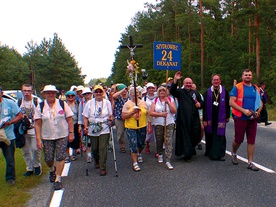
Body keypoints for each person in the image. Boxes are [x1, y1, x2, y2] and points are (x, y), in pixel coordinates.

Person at [34, 85, 74, 190]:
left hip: (62, 134)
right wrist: (38, 139)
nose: (50, 94)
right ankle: (52, 170)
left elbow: (70, 119)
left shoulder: (62, 104)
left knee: (60, 156)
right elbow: (37, 124)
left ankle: (58, 179)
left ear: (55, 93)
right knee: (48, 158)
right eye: (48, 93)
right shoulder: (41, 106)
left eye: (52, 92)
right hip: (47, 136)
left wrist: (71, 133)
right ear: (45, 94)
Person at [229, 69, 263, 171]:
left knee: (251, 140)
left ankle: (250, 162)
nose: (248, 76)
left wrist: (258, 111)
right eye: (246, 75)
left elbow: (260, 102)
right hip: (240, 117)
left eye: (249, 75)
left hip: (252, 118)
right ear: (242, 76)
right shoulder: (237, 87)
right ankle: (234, 153)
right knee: (238, 139)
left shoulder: (256, 88)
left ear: (252, 76)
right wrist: (243, 111)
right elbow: (231, 102)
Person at [170, 72, 203, 162]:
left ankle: (190, 149)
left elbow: (201, 103)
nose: (188, 84)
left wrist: (200, 104)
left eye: (190, 83)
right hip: (184, 119)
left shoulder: (196, 93)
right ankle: (187, 154)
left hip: (194, 118)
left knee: (196, 134)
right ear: (184, 84)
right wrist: (175, 80)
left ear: (192, 84)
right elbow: (172, 91)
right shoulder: (180, 92)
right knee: (185, 136)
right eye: (186, 83)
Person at [82, 85, 113, 176]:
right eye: (96, 92)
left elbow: (110, 115)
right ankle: (97, 160)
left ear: (103, 93)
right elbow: (85, 116)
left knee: (103, 147)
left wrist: (110, 120)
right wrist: (85, 126)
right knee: (95, 148)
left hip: (104, 127)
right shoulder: (89, 103)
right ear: (93, 93)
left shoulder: (107, 103)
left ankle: (103, 167)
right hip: (92, 128)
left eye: (100, 91)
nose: (98, 93)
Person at [203, 75, 230, 161]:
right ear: (212, 81)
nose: (216, 81)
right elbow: (204, 107)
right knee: (210, 134)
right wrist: (205, 119)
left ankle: (218, 154)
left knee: (219, 135)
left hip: (220, 117)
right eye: (214, 80)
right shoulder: (207, 92)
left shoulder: (225, 91)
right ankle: (209, 151)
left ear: (220, 81)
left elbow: (228, 104)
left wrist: (227, 116)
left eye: (217, 80)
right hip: (210, 117)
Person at [0, 86, 23, 185]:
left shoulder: (10, 103)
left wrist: (10, 122)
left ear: (2, 93)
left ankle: (10, 178)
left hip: (8, 135)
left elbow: (20, 115)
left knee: (9, 159)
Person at [149, 86, 177, 170]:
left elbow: (174, 111)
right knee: (159, 139)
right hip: (158, 123)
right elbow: (151, 112)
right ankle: (160, 153)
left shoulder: (170, 99)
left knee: (169, 140)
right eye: (160, 91)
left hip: (169, 122)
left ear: (166, 92)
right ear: (158, 92)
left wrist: (168, 103)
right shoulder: (155, 100)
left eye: (164, 91)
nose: (162, 92)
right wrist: (161, 114)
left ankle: (168, 159)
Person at [18, 84, 42, 176]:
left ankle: (37, 166)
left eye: (28, 91)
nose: (26, 93)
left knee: (36, 148)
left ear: (32, 91)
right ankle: (29, 168)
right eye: (25, 90)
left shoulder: (36, 101)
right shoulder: (19, 102)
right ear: (22, 91)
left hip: (34, 128)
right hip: (23, 129)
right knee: (25, 150)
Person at [122, 87, 148, 172]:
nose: (135, 94)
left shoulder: (143, 103)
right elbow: (123, 116)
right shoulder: (127, 104)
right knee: (133, 143)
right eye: (133, 93)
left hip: (142, 126)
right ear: (130, 94)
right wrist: (132, 112)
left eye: (137, 93)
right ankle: (135, 162)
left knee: (141, 143)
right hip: (131, 127)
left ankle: (139, 153)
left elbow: (147, 114)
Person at [112, 84, 129, 153]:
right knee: (120, 133)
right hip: (119, 117)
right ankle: (122, 145)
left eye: (125, 90)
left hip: (128, 117)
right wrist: (121, 90)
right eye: (123, 90)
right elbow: (114, 96)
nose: (124, 91)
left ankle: (132, 145)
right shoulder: (118, 97)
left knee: (130, 132)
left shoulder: (129, 97)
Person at [78, 87, 93, 162]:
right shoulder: (82, 103)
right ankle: (89, 154)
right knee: (87, 140)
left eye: (88, 93)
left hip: (94, 122)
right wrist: (80, 125)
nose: (87, 95)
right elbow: (80, 114)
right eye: (85, 94)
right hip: (85, 123)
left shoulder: (94, 101)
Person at [65, 90, 80, 162]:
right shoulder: (64, 104)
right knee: (66, 140)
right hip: (65, 124)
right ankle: (67, 155)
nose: (70, 97)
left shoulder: (77, 104)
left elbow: (80, 113)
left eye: (72, 96)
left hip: (75, 123)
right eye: (69, 96)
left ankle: (74, 154)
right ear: (66, 97)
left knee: (75, 138)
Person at [144, 82, 156, 155]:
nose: (151, 90)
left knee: (157, 135)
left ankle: (157, 150)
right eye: (149, 88)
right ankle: (147, 144)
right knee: (149, 134)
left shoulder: (157, 97)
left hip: (157, 117)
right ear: (147, 90)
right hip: (148, 118)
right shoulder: (144, 98)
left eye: (152, 88)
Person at [191, 83, 204, 150]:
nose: (193, 89)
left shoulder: (199, 95)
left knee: (201, 128)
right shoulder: (188, 95)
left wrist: (200, 104)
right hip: (191, 116)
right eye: (192, 87)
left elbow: (202, 104)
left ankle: (199, 141)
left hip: (199, 115)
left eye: (194, 88)